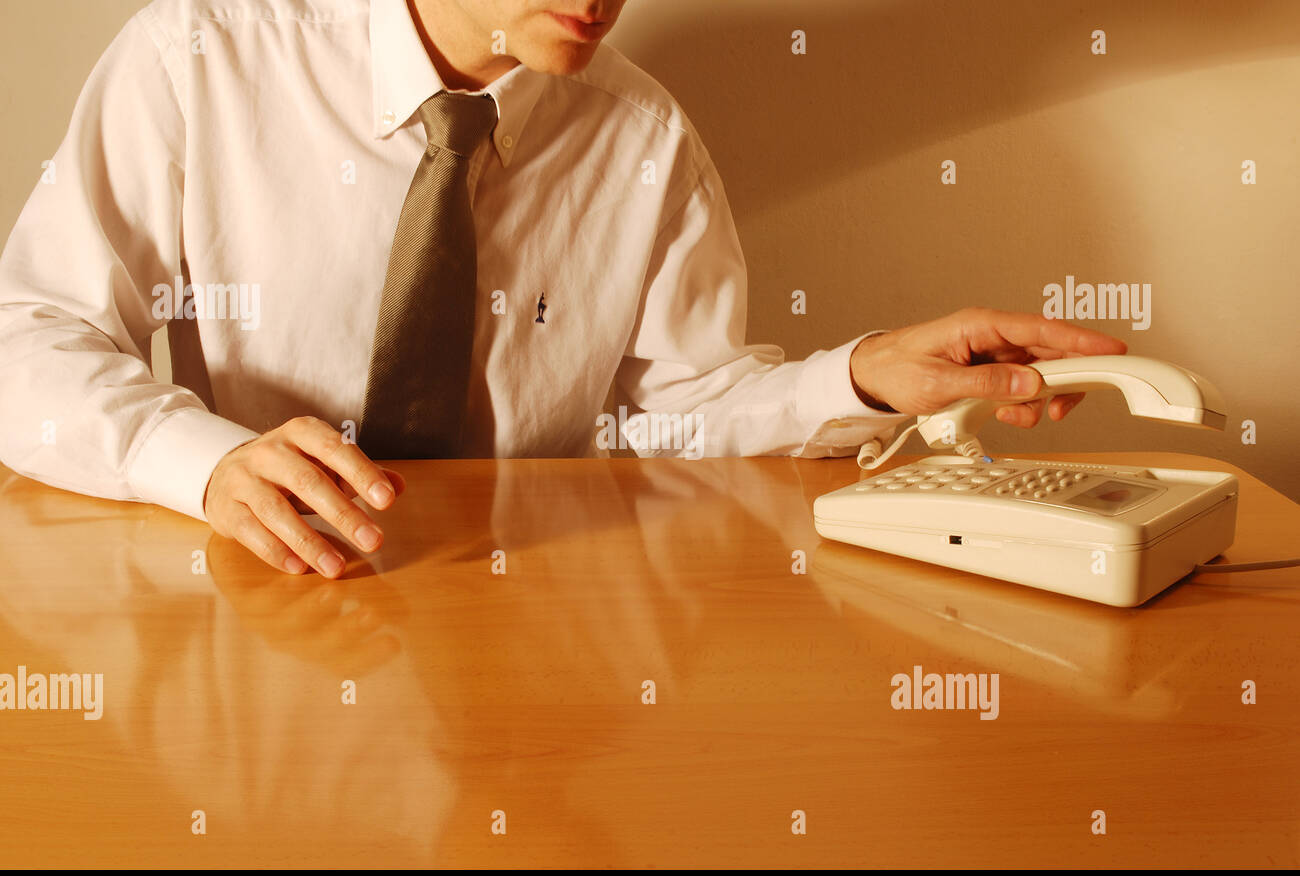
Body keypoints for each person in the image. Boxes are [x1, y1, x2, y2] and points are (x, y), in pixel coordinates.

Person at [0, 0, 1126, 578]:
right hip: (265, 604)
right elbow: (25, 337)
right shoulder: (196, 56)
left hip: (525, 608)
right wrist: (199, 465)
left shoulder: (644, 136)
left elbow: (671, 418)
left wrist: (863, 379)